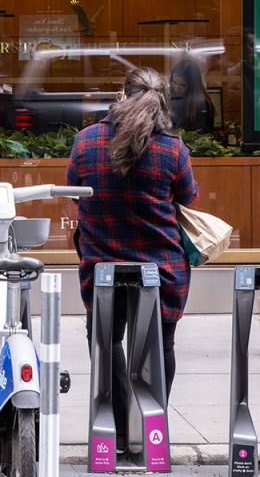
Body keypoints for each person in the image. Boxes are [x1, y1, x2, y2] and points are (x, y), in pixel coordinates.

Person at [68, 66, 198, 419]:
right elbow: (188, 197)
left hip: (101, 266)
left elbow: (76, 193)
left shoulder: (87, 141)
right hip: (163, 268)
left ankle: (120, 425)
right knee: (163, 344)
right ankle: (152, 426)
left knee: (106, 341)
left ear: (122, 95)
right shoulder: (173, 149)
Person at [168, 56, 215, 132]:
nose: (176, 88)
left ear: (192, 87)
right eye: (174, 82)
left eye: (182, 85)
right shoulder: (171, 99)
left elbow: (201, 137)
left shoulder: (202, 104)